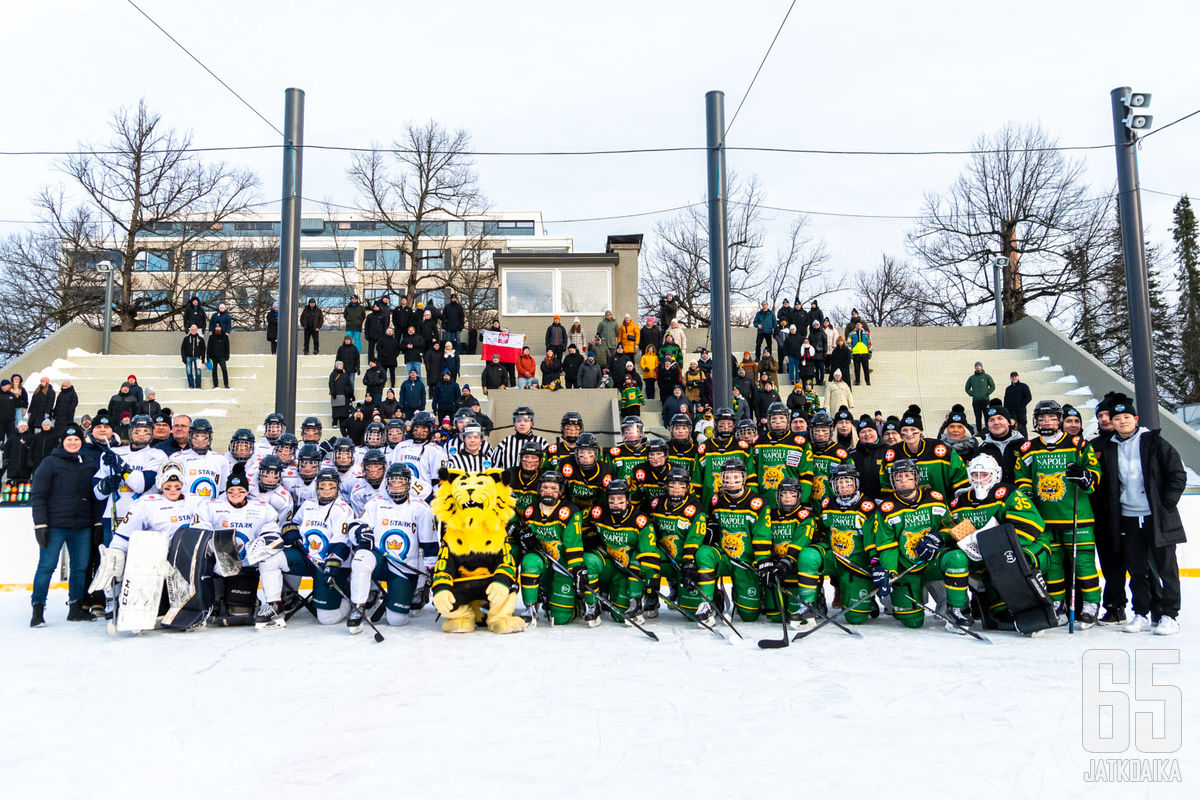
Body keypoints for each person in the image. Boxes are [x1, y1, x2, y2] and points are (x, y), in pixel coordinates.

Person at [1098, 395, 1186, 635]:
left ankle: (1169, 615)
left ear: (1135, 419)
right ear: (1111, 423)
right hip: (1127, 517)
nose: (1122, 421)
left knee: (1166, 568)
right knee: (1136, 569)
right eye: (1117, 418)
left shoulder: (1154, 442)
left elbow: (1177, 473)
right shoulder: (1108, 447)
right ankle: (1141, 613)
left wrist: (1167, 502)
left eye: (1126, 417)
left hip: (1157, 516)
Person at [1014, 399, 1102, 627]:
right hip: (1045, 519)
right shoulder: (1028, 447)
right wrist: (1026, 493)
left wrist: (1085, 477)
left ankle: (1092, 603)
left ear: (1060, 420)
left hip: (1078, 516)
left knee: (1083, 563)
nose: (1046, 422)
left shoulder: (1078, 444)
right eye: (1042, 418)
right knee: (1052, 564)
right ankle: (1058, 603)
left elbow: (1094, 473)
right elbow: (1022, 476)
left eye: (1052, 418)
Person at [29, 424, 105, 626]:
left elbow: (96, 496)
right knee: (47, 566)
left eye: (77, 440)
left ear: (82, 442)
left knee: (80, 568)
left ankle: (75, 607)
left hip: (82, 526)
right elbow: (38, 496)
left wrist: (97, 522)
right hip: (55, 525)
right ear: (62, 442)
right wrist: (40, 524)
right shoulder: (49, 463)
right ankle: (37, 609)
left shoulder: (89, 463)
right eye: (69, 439)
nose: (73, 442)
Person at [964, 361, 995, 432]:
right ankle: (979, 431)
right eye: (976, 366)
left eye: (979, 366)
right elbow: (967, 388)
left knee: (987, 416)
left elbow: (992, 386)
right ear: (975, 368)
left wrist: (987, 393)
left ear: (982, 367)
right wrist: (972, 394)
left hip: (985, 400)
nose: (978, 367)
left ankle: (988, 430)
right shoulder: (972, 378)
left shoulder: (987, 376)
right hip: (976, 401)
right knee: (978, 417)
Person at [329, 362, 354, 435]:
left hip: (345, 395)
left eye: (342, 365)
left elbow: (349, 384)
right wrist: (333, 392)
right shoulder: (333, 374)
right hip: (336, 394)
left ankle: (343, 423)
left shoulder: (345, 375)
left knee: (344, 410)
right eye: (340, 365)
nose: (341, 366)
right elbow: (331, 383)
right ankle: (335, 422)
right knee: (336, 409)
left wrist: (350, 393)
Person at [181, 324, 206, 389]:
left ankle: (198, 385)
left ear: (197, 330)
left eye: (194, 329)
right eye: (192, 329)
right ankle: (191, 385)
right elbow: (182, 349)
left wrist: (203, 359)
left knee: (198, 372)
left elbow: (203, 349)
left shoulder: (201, 339)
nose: (193, 331)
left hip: (198, 357)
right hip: (188, 357)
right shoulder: (186, 339)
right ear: (190, 330)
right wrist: (184, 358)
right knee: (189, 372)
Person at [208, 323, 231, 389]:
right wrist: (208, 357)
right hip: (213, 357)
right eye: (216, 327)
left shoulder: (225, 336)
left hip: (222, 357)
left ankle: (226, 384)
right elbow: (209, 347)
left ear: (221, 328)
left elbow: (227, 347)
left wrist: (227, 356)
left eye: (219, 327)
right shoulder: (211, 337)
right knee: (214, 371)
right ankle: (215, 385)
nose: (218, 328)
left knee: (224, 370)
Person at [808, 320, 827, 386]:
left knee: (821, 368)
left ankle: (822, 380)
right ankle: (817, 380)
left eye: (817, 325)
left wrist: (825, 352)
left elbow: (825, 343)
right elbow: (809, 343)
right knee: (815, 369)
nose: (815, 326)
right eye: (814, 325)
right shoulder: (811, 334)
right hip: (813, 353)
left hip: (821, 353)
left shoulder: (822, 333)